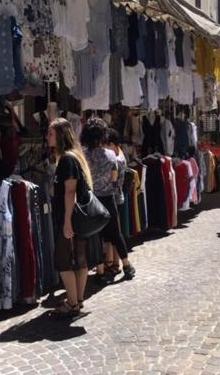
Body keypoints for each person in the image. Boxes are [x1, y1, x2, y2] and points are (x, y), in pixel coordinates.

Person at [81, 118, 135, 285]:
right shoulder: (111, 155)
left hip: (92, 200)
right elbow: (115, 178)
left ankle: (101, 271)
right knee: (115, 234)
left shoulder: (83, 156)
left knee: (96, 236)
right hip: (108, 197)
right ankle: (126, 265)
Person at [47, 118, 92, 318]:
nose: (47, 137)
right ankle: (78, 301)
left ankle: (73, 304)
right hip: (77, 218)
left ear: (60, 135)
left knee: (64, 260)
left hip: (71, 218)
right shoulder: (74, 157)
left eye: (50, 133)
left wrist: (66, 221)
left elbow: (70, 191)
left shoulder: (67, 159)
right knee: (79, 259)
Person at [104, 127, 129, 276]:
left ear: (112, 144)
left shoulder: (116, 159)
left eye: (107, 145)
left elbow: (112, 180)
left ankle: (114, 263)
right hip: (118, 196)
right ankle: (115, 262)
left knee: (113, 233)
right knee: (114, 232)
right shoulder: (120, 153)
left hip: (114, 196)